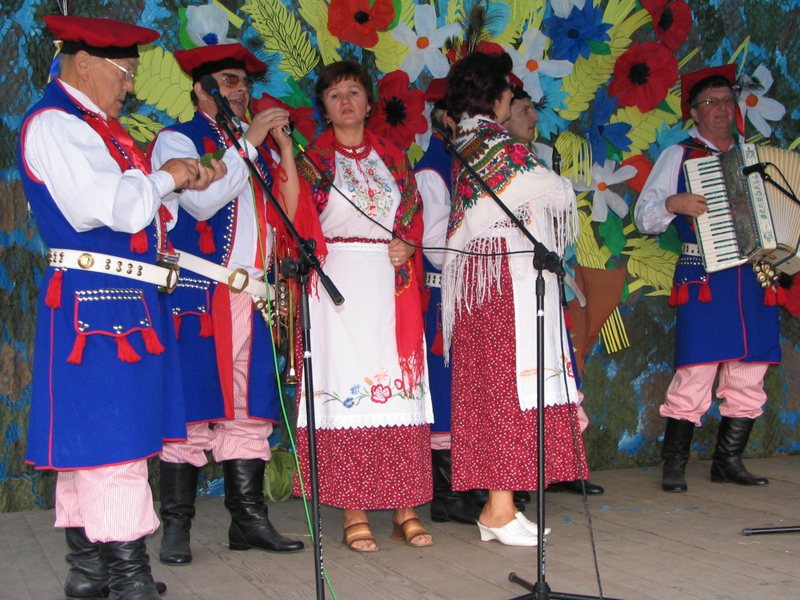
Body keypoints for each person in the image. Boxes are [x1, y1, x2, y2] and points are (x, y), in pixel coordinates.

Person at [17, 15, 223, 600]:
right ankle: (128, 579)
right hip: (96, 304)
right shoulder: (56, 123)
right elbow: (110, 207)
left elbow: (138, 214)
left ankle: (91, 572)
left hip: (119, 301)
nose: (130, 86)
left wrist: (175, 184)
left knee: (100, 440)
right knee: (114, 441)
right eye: (125, 72)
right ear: (84, 64)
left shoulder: (96, 128)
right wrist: (167, 177)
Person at [149, 41, 305, 564]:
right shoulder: (177, 139)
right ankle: (177, 527)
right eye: (229, 81)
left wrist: (279, 149)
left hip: (253, 295)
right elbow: (200, 201)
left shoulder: (253, 147)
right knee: (191, 409)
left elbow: (286, 216)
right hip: (199, 292)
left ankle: (248, 520)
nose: (240, 91)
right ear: (202, 89)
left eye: (244, 82)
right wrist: (250, 142)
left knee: (248, 411)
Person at [442, 51, 589, 547]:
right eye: (508, 91)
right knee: (508, 388)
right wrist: (559, 183)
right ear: (498, 96)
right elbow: (554, 189)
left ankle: (499, 505)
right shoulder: (494, 142)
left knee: (502, 390)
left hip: (491, 276)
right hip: (503, 276)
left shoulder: (468, 141)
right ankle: (499, 508)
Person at [293, 60, 434, 552]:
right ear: (324, 107)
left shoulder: (393, 157)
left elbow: (412, 212)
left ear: (370, 103)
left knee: (399, 392)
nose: (345, 101)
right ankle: (354, 508)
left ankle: (404, 507)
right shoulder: (312, 160)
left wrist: (408, 242)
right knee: (348, 390)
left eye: (353, 91)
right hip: (337, 287)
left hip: (390, 284)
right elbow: (297, 219)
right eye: (334, 95)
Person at [634, 65, 777, 493]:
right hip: (704, 276)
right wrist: (673, 203)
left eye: (727, 101)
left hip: (753, 274)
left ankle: (728, 461)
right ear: (694, 113)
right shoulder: (678, 155)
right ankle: (674, 463)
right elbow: (644, 216)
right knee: (696, 368)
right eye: (710, 103)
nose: (721, 109)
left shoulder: (754, 157)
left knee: (750, 368)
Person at [503, 83, 604, 497]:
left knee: (555, 371)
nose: (533, 118)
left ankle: (558, 464)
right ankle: (520, 474)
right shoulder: (497, 165)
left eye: (533, 110)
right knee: (521, 377)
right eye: (524, 110)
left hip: (542, 280)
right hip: (512, 282)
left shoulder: (537, 161)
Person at [414, 81, 482, 525]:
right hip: (442, 294)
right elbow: (437, 247)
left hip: (470, 291)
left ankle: (471, 482)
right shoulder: (433, 170)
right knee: (443, 389)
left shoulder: (470, 163)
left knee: (469, 388)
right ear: (447, 119)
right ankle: (445, 492)